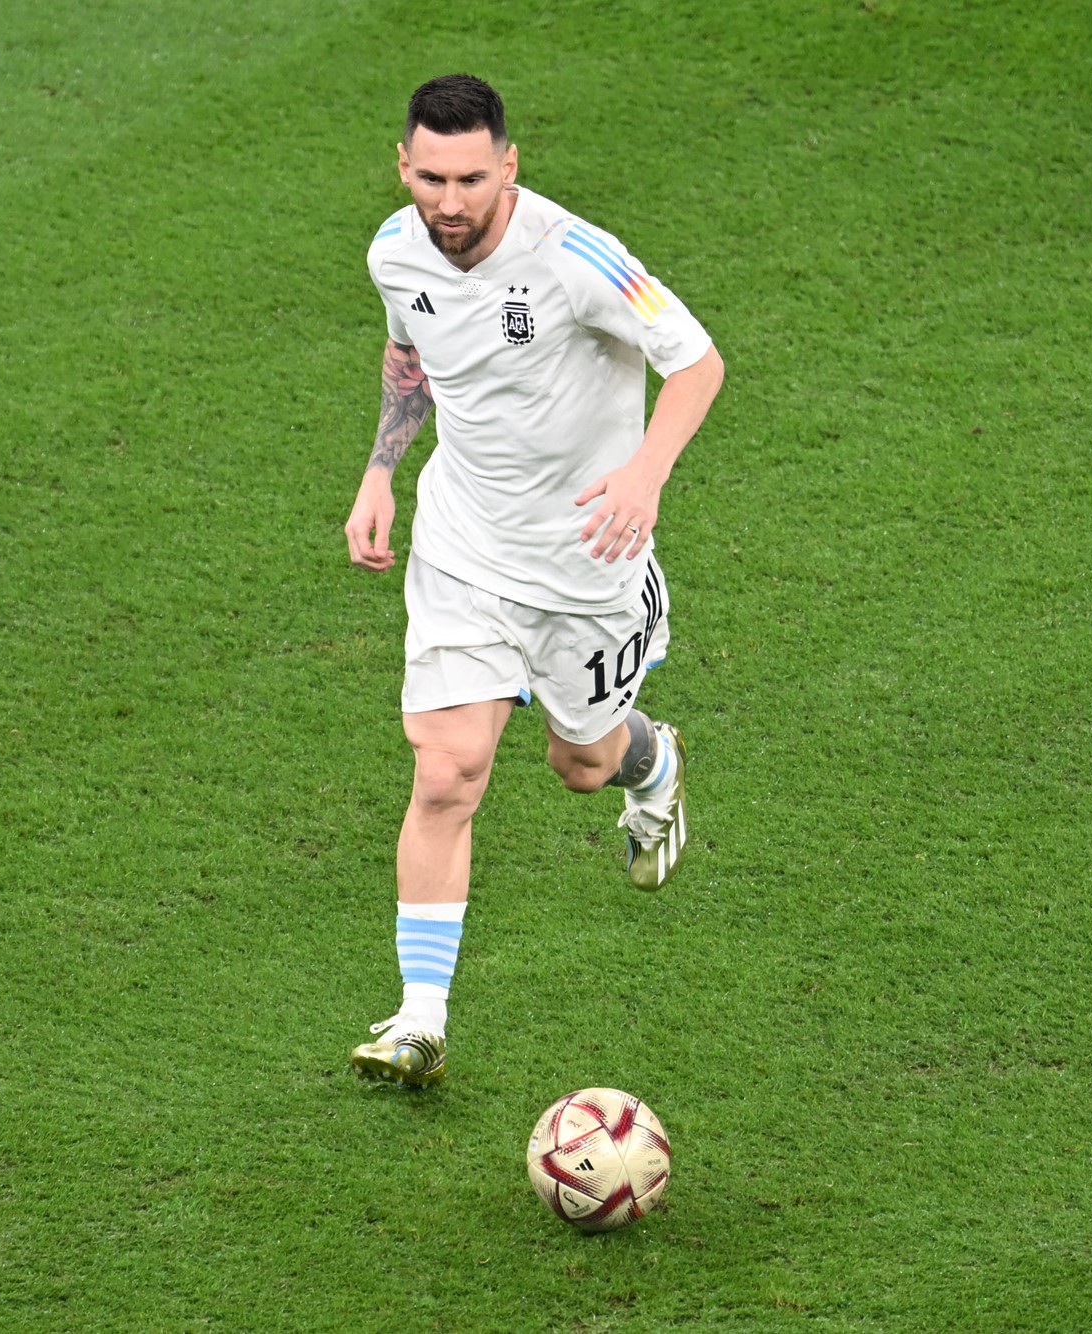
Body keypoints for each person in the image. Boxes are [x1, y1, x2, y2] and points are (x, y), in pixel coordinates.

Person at [343, 74, 724, 1088]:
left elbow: (695, 363)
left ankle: (650, 757)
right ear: (403, 165)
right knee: (446, 768)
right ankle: (418, 1016)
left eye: (470, 178)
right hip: (463, 551)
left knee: (579, 761)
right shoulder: (393, 249)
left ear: (507, 165)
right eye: (431, 177)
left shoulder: (575, 258)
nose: (450, 202)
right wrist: (380, 471)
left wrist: (643, 471)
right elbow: (409, 356)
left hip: (584, 569)